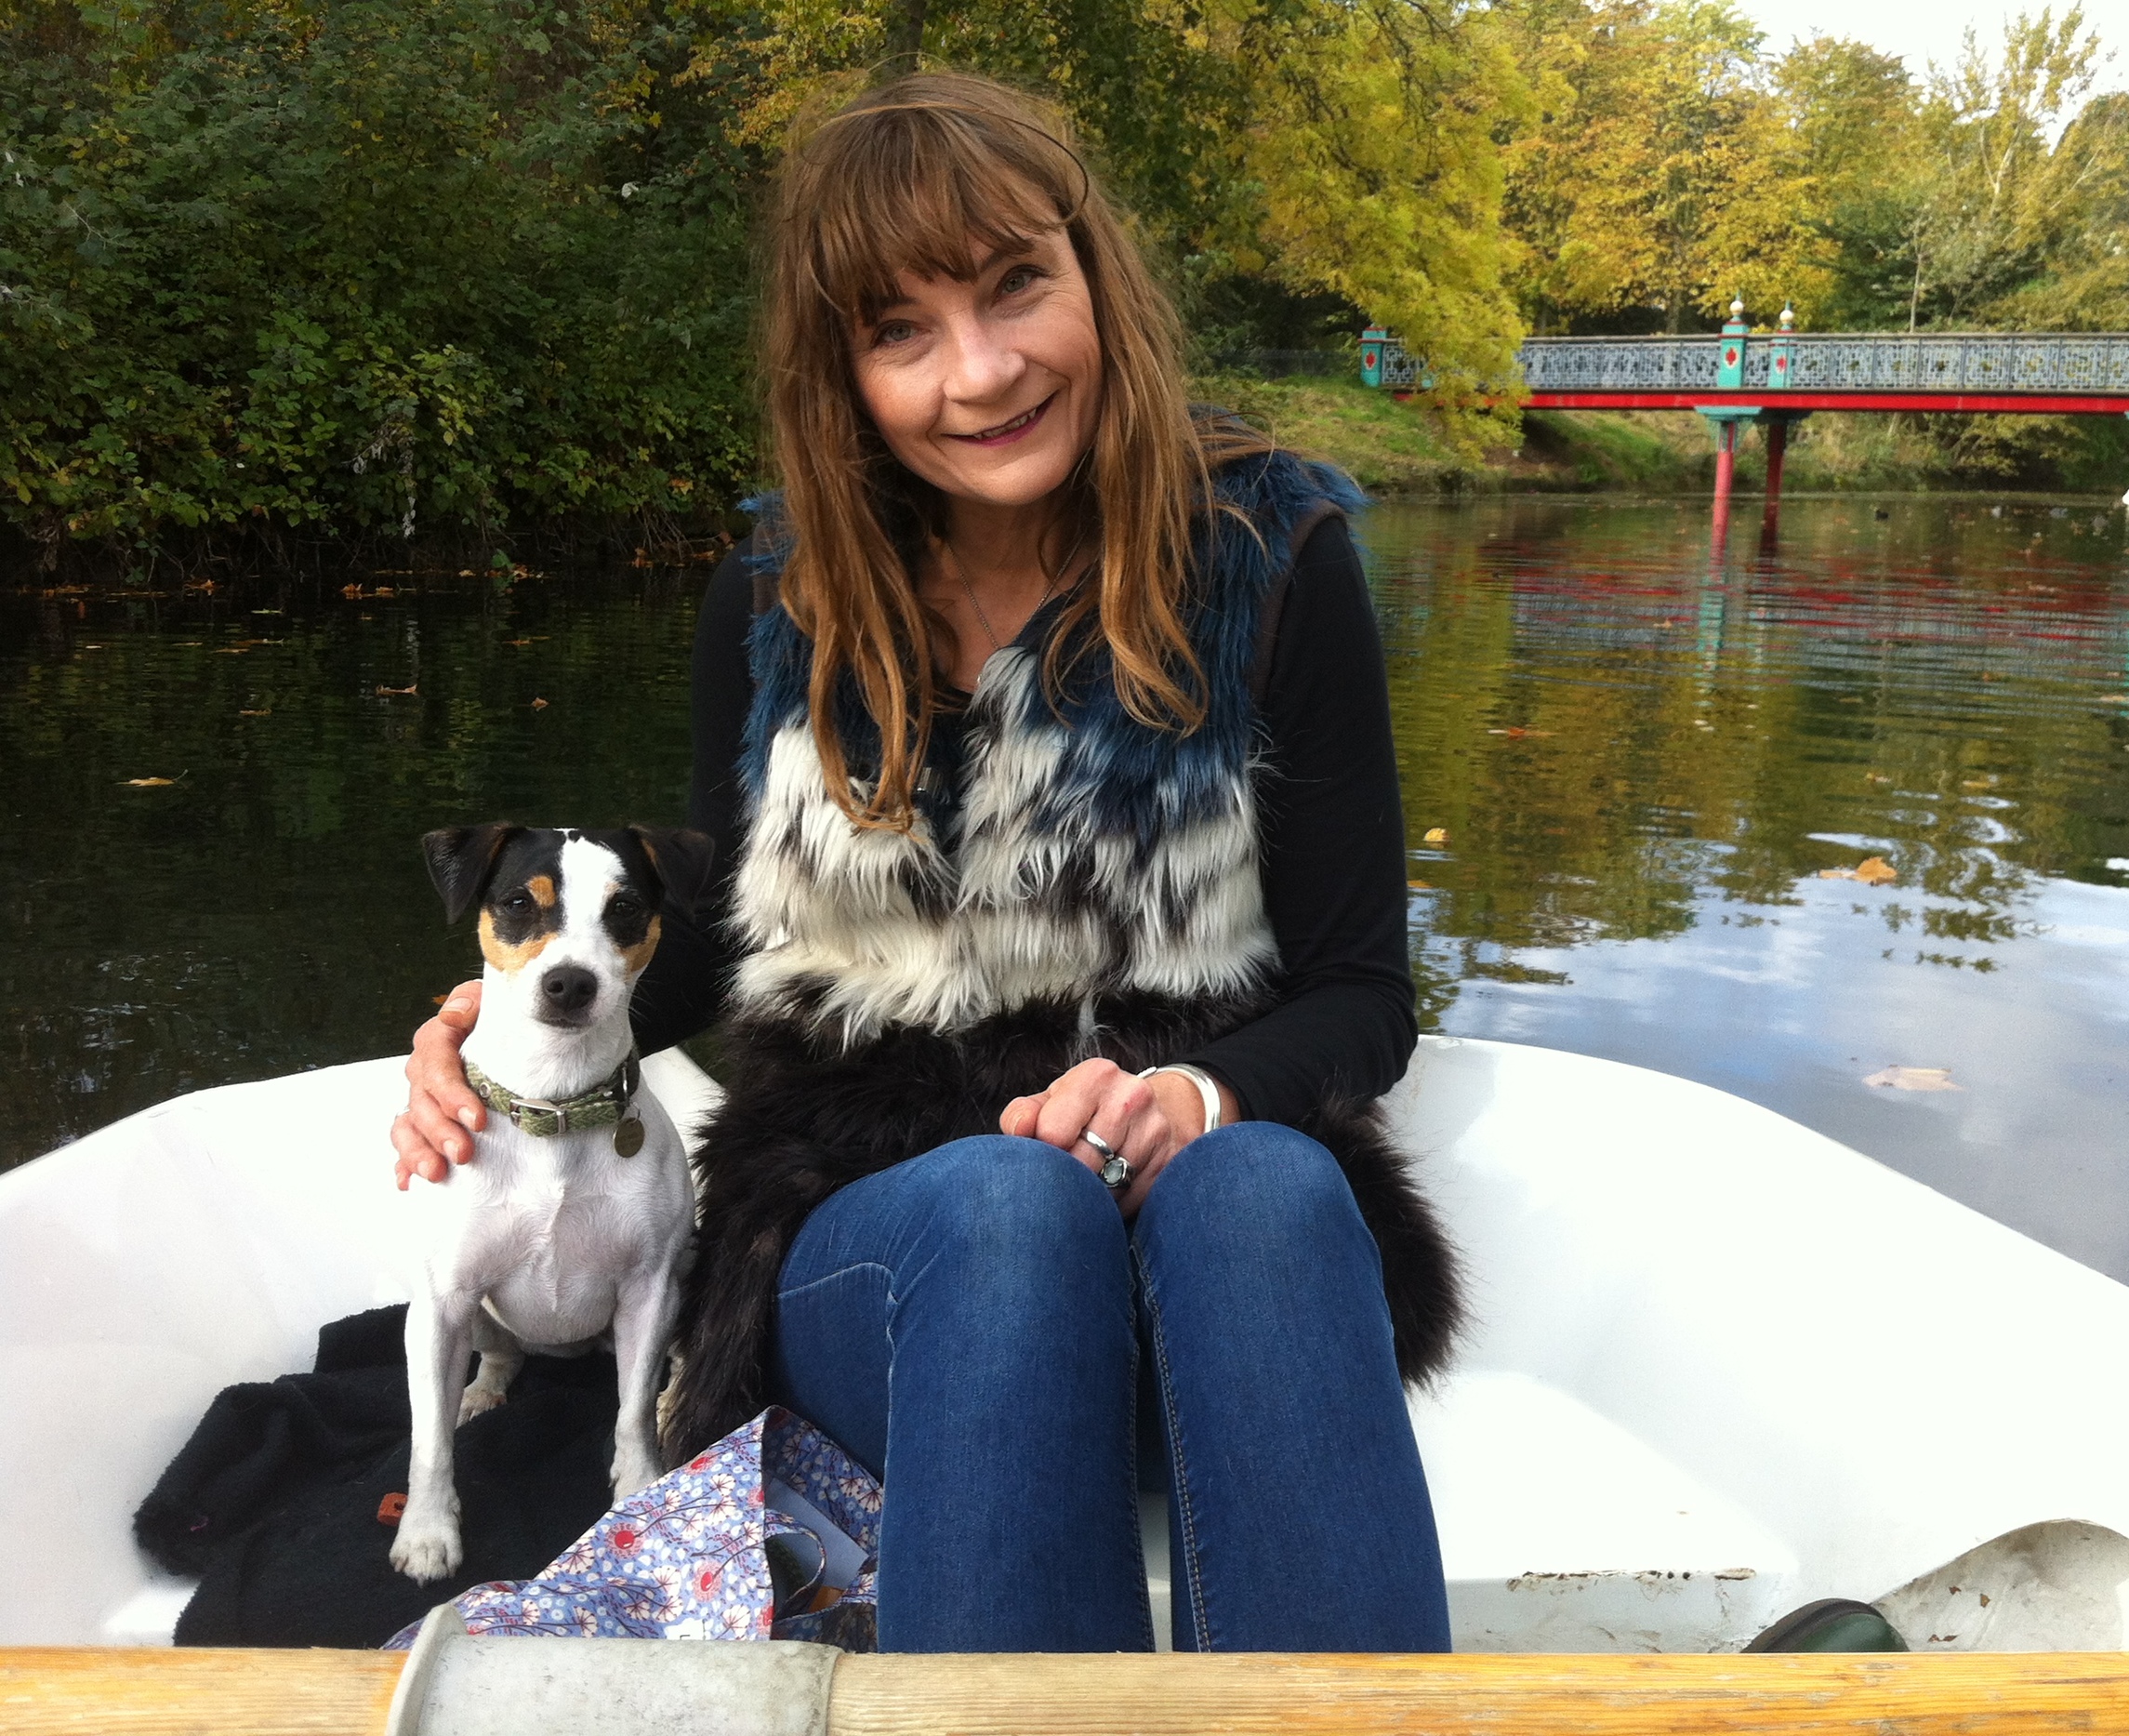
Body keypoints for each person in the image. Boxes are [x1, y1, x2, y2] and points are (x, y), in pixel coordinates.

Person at [390, 72, 1461, 1655]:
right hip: (874, 1251)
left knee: (1272, 1191)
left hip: (1203, 1275)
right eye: (902, 331)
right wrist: (482, 1023)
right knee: (1005, 1215)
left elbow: (1366, 990)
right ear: (846, 377)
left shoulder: (1271, 559)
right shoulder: (774, 595)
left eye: (1017, 283)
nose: (983, 370)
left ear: (1094, 272)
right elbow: (705, 949)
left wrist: (1195, 1096)